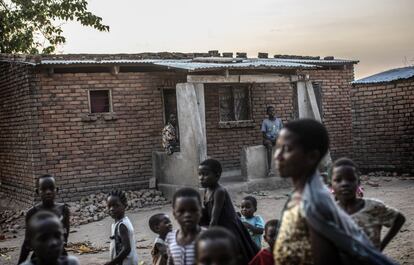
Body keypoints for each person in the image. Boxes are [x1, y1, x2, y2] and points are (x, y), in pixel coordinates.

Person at [273, 118, 397, 265]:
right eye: (277, 148)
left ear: (312, 156)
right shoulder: (302, 195)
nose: (277, 156)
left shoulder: (314, 205)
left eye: (286, 149)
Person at [331, 158, 406, 250]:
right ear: (331, 185)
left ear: (358, 183)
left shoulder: (373, 207)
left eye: (350, 179)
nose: (344, 184)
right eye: (338, 180)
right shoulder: (329, 212)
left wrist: (381, 247)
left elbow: (399, 219)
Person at [199, 158, 259, 265]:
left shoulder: (219, 191)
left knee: (238, 256)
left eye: (205, 174)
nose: (201, 178)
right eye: (200, 174)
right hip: (219, 226)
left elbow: (214, 218)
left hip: (229, 228)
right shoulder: (206, 190)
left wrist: (208, 237)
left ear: (217, 176)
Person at [18, 174, 70, 264]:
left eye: (51, 188)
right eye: (44, 189)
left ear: (56, 190)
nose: (48, 192)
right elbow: (27, 242)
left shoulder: (64, 210)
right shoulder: (32, 213)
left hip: (60, 255)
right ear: (38, 192)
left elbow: (65, 235)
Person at [166, 187, 204, 265]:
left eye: (193, 210)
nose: (187, 215)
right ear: (174, 214)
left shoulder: (207, 237)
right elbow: (171, 261)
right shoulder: (170, 237)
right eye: (181, 211)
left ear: (201, 211)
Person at [106, 190, 139, 265]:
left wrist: (112, 262)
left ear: (125, 205)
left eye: (116, 205)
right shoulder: (121, 222)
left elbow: (126, 249)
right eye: (109, 206)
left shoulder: (122, 226)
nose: (112, 209)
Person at [261, 106, 283, 176]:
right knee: (269, 146)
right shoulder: (265, 121)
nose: (272, 112)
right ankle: (270, 170)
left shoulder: (279, 120)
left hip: (277, 139)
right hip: (268, 139)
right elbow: (264, 134)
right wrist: (270, 139)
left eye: (273, 111)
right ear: (267, 113)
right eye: (270, 111)